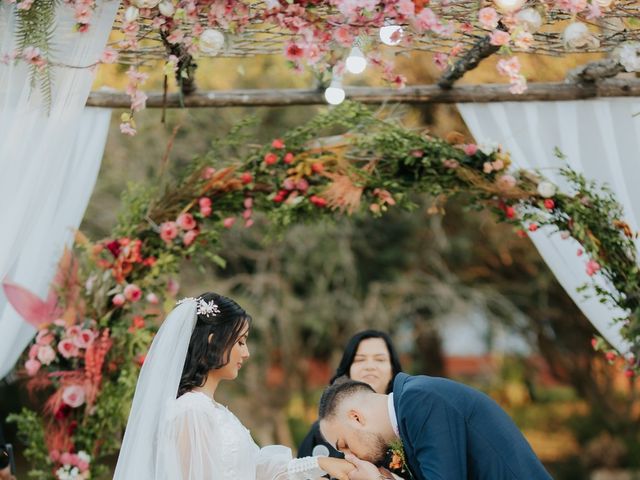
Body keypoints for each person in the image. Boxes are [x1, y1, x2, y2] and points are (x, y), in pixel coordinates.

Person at [114, 292, 354, 480]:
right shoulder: (191, 411)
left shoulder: (213, 411)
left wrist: (319, 464)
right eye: (240, 341)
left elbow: (258, 471)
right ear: (213, 341)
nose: (246, 353)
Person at [318, 373, 553, 480]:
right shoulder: (407, 415)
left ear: (356, 418)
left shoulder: (420, 400)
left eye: (345, 445)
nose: (349, 456)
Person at [298, 330, 403, 460]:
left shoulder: (406, 420)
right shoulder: (322, 432)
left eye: (380, 359)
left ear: (393, 370)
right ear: (347, 369)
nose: (369, 366)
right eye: (360, 359)